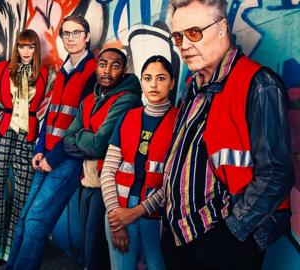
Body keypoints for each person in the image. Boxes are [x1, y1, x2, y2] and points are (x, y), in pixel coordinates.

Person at [111, 1, 293, 269]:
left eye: (194, 32)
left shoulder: (259, 85)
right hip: (179, 239)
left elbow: (277, 173)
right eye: (177, 36)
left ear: (222, 29)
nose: (183, 44)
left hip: (222, 245)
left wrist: (231, 234)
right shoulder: (191, 90)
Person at [6, 15, 97, 270]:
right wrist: (39, 149)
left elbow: (82, 127)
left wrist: (52, 158)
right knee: (25, 219)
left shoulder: (92, 71)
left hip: (67, 160)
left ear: (87, 36)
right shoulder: (65, 68)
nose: (70, 38)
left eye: (76, 33)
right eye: (66, 33)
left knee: (37, 222)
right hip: (46, 155)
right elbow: (51, 114)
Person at [0, 29, 55, 264]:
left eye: (30, 47)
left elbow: (47, 109)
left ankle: (13, 248)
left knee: (22, 195)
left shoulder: (46, 75)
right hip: (3, 132)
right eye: (22, 46)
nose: (25, 51)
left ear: (36, 49)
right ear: (16, 48)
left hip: (28, 136)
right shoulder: (1, 69)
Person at [64, 48, 143, 270]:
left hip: (108, 187)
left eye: (115, 66)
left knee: (95, 250)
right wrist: (84, 138)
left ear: (124, 70)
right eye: (103, 64)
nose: (107, 71)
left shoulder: (127, 100)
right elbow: (67, 141)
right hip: (87, 182)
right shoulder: (89, 100)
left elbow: (100, 146)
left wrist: (80, 135)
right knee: (86, 248)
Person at [101, 55, 178, 270]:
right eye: (147, 78)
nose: (153, 84)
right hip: (118, 209)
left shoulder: (180, 122)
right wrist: (116, 219)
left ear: (172, 83)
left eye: (161, 78)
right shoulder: (127, 117)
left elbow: (174, 180)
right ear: (141, 82)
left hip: (157, 217)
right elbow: (107, 170)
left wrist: (136, 212)